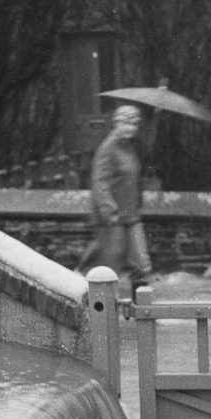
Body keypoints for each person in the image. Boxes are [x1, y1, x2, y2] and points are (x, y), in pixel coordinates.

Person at [76, 104, 154, 293]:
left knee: (142, 264)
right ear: (116, 124)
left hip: (131, 215)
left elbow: (135, 174)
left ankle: (142, 311)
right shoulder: (108, 148)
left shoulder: (131, 148)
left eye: (134, 125)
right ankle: (89, 297)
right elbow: (100, 182)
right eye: (126, 124)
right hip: (113, 218)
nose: (130, 129)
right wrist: (110, 212)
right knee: (111, 264)